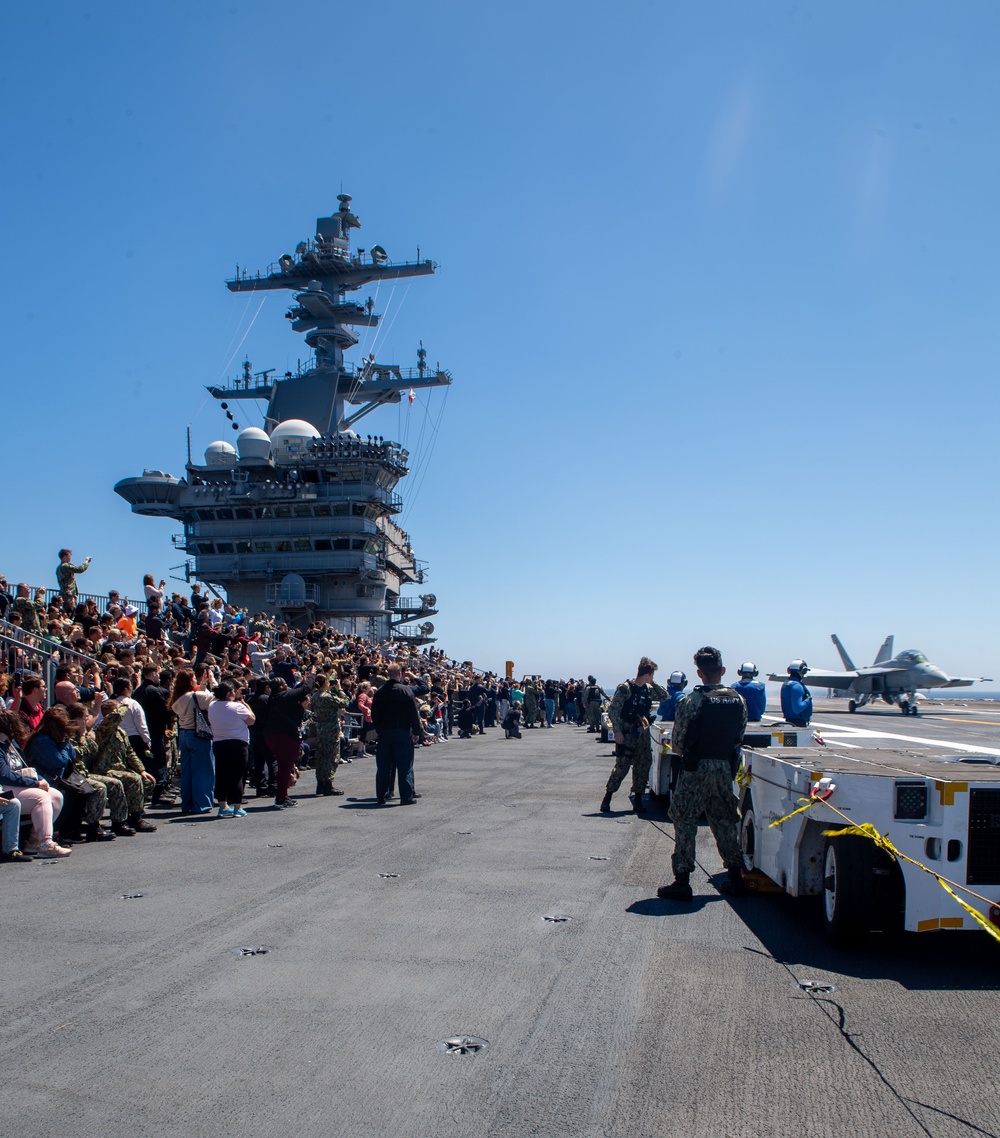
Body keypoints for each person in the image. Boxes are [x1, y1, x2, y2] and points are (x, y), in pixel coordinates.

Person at [657, 646, 747, 901]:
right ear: (722, 671)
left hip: (695, 767)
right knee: (724, 819)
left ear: (699, 673)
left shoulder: (691, 701)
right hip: (722, 767)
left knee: (685, 820)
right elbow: (738, 738)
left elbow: (678, 742)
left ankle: (682, 881)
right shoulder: (737, 700)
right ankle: (736, 877)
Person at [600, 657, 668, 815]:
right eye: (651, 675)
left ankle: (637, 798)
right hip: (627, 732)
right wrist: (617, 731)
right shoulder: (625, 688)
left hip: (642, 733)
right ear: (647, 674)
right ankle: (608, 796)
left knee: (643, 764)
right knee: (622, 766)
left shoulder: (648, 689)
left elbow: (664, 696)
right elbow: (613, 710)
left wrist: (652, 683)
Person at [0, 708, 70, 858]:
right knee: (41, 797)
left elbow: (24, 767)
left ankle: (34, 842)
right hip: (4, 787)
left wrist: (38, 779)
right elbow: (5, 775)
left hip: (19, 784)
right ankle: (46, 844)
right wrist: (34, 784)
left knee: (56, 796)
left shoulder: (12, 744)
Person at [371, 663, 423, 805]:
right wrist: (417, 731)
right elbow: (413, 713)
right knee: (405, 765)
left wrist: (379, 729)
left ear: (388, 674)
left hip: (385, 732)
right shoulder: (406, 691)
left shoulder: (380, 692)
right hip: (402, 731)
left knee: (383, 766)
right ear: (400, 674)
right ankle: (406, 797)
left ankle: (382, 796)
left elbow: (374, 713)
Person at [168, 669, 216, 815]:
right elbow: (217, 696)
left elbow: (197, 699)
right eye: (194, 678)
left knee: (187, 772)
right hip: (199, 735)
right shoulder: (195, 696)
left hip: (184, 734)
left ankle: (187, 803)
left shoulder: (178, 698)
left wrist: (202, 684)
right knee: (203, 771)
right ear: (189, 681)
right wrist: (212, 681)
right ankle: (202, 804)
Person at [208, 681, 255, 817]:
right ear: (229, 693)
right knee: (237, 776)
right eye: (234, 691)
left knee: (222, 774)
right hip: (238, 743)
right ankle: (237, 807)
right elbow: (251, 720)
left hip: (219, 742)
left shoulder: (212, 706)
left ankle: (223, 806)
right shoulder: (238, 707)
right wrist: (246, 705)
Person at [309, 673, 348, 797]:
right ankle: (328, 785)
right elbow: (344, 702)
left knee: (322, 757)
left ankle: (321, 784)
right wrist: (340, 689)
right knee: (331, 757)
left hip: (320, 728)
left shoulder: (314, 696)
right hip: (330, 730)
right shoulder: (326, 696)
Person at [780, 661, 813, 727]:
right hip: (798, 723)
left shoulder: (786, 683)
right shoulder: (797, 686)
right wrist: (808, 699)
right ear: (802, 671)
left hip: (789, 721)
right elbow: (797, 708)